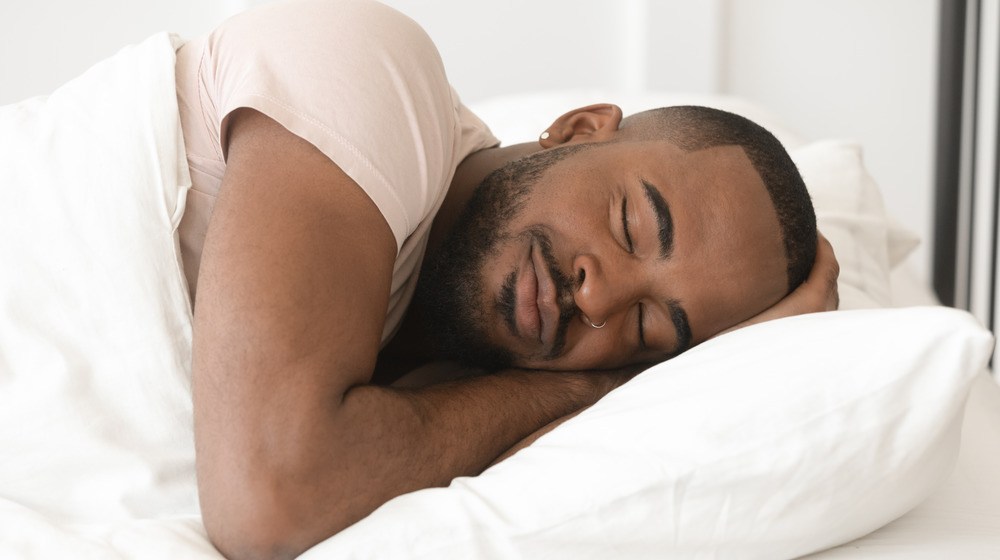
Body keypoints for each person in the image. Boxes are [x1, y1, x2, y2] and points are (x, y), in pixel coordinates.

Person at [176, 0, 838, 558]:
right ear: (578, 129)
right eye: (631, 224)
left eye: (648, 327)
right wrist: (600, 380)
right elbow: (271, 502)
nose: (600, 297)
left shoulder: (462, 386)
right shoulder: (369, 72)